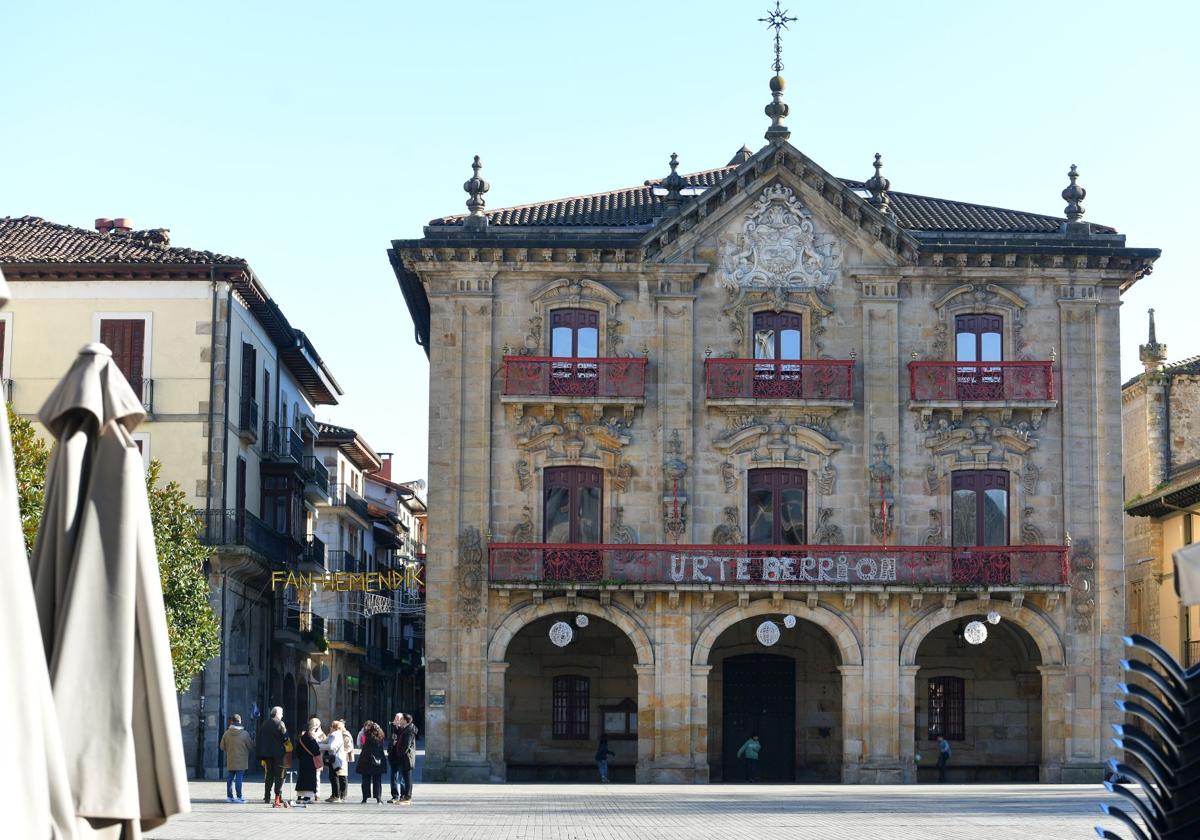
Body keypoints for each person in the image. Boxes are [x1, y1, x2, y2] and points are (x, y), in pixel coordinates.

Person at [255, 706, 288, 805]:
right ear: (277, 713)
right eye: (281, 713)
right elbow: (285, 738)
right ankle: (278, 797)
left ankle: (267, 797)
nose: (282, 715)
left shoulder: (264, 724)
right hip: (278, 755)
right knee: (280, 776)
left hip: (266, 755)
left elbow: (259, 738)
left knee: (269, 775)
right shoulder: (280, 723)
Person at [219, 714, 253, 803]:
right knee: (239, 778)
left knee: (230, 778)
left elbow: (222, 747)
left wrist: (229, 749)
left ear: (232, 721)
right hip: (242, 760)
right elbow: (250, 746)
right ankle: (239, 797)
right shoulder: (245, 734)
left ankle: (229, 797)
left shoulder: (226, 733)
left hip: (231, 758)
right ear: (240, 721)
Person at [296, 717, 325, 803]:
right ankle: (307, 797)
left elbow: (298, 750)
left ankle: (299, 795)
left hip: (302, 761)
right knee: (310, 778)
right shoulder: (311, 738)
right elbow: (316, 749)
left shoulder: (302, 736)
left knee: (302, 778)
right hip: (310, 761)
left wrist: (301, 757)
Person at [357, 721, 387, 803]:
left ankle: (365, 798)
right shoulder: (381, 736)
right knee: (377, 780)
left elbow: (360, 744)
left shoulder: (365, 736)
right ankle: (378, 798)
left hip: (365, 759)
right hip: (378, 759)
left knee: (365, 779)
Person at [325, 720, 350, 802]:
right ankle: (336, 795)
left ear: (335, 727)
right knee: (333, 776)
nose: (330, 727)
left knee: (338, 777)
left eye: (332, 726)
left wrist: (319, 746)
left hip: (338, 758)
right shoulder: (332, 735)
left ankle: (338, 795)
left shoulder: (336, 735)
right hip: (335, 758)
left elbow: (331, 746)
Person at [396, 713, 418, 804]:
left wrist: (400, 754)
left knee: (407, 778)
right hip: (405, 757)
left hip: (407, 757)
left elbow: (406, 745)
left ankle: (408, 797)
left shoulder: (409, 730)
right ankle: (406, 796)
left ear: (405, 720)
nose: (400, 721)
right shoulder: (406, 729)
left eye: (401, 719)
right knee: (405, 777)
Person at [387, 712, 406, 803]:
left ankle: (403, 795)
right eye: (395, 718)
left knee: (402, 777)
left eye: (398, 718)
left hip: (401, 757)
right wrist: (389, 750)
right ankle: (395, 796)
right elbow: (391, 741)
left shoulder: (405, 729)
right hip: (393, 756)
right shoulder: (394, 729)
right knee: (393, 777)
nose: (396, 720)